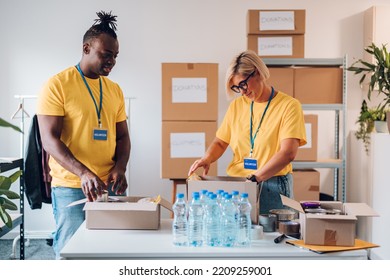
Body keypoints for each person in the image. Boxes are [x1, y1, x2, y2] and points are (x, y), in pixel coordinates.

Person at [37, 11, 130, 259]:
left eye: (115, 56)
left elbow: (123, 137)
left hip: (110, 184)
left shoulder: (114, 90)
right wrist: (83, 173)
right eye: (106, 54)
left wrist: (120, 167)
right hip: (72, 185)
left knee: (109, 252)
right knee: (71, 253)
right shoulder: (57, 85)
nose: (112, 61)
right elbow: (49, 139)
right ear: (86, 48)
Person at [188, 50, 306, 214]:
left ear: (257, 73)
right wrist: (207, 158)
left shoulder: (289, 106)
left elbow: (288, 153)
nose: (242, 92)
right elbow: (221, 142)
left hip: (272, 185)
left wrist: (255, 178)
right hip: (238, 184)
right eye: (236, 88)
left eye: (243, 84)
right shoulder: (236, 106)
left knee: (271, 238)